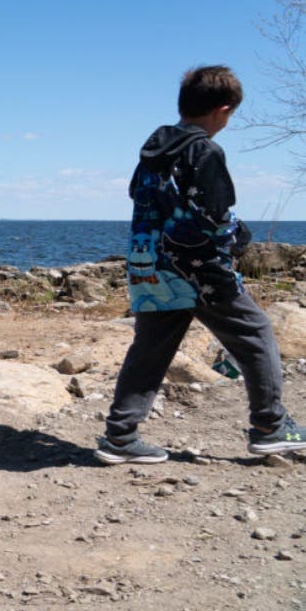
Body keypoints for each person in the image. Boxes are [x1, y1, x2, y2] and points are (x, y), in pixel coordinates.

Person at [97, 66, 305, 464]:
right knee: (256, 331)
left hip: (149, 264)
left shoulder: (153, 151)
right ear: (222, 111)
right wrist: (238, 238)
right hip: (198, 270)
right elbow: (212, 214)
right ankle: (270, 426)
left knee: (151, 348)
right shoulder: (204, 149)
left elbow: (138, 197)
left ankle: (120, 436)